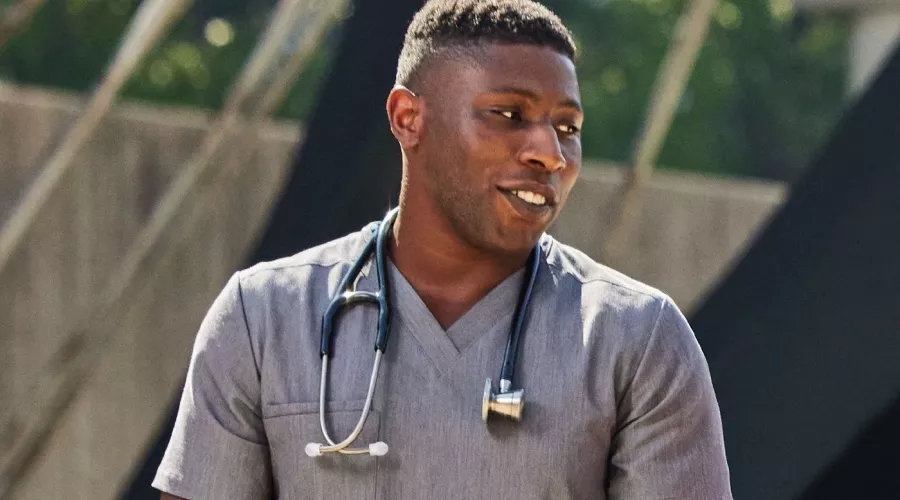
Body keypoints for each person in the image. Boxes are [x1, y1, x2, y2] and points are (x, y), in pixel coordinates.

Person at [153, 0, 733, 498]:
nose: (550, 152)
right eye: (509, 114)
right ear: (409, 118)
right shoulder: (263, 319)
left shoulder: (635, 339)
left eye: (567, 127)